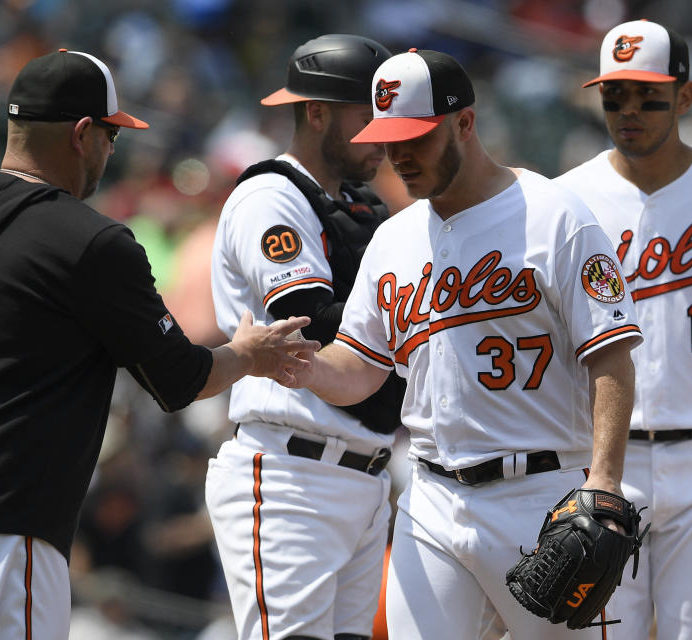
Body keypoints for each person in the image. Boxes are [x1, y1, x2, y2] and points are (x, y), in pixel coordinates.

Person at [0, 49, 318, 640]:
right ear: (83, 134)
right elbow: (180, 379)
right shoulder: (90, 242)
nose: (112, 152)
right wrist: (248, 353)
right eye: (111, 136)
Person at [283, 47, 645, 639]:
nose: (398, 154)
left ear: (464, 123)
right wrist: (305, 368)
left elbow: (610, 354)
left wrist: (604, 480)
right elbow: (362, 367)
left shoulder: (554, 216)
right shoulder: (394, 239)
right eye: (388, 139)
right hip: (431, 497)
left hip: (543, 496)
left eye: (415, 137)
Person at [556, 19, 692, 639]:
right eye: (614, 96)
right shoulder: (566, 201)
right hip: (602, 461)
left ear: (686, 96)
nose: (630, 111)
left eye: (649, 96)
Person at [206, 33, 403, 640]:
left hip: (364, 473)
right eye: (366, 111)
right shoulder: (270, 195)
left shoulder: (363, 204)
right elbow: (309, 324)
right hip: (293, 473)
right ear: (315, 111)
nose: (381, 131)